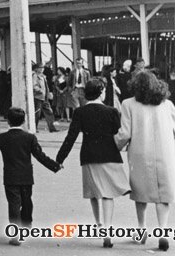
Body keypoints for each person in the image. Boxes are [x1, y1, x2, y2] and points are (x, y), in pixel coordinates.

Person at [56, 78, 130, 248]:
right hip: (110, 156)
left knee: (94, 192)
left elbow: (70, 138)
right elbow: (118, 134)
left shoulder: (80, 112)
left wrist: (60, 159)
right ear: (101, 91)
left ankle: (98, 225)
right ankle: (108, 231)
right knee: (107, 194)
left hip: (89, 156)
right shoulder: (111, 111)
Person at [0, 107, 61, 246]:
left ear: (7, 121)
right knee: (27, 202)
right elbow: (40, 156)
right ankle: (26, 225)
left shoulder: (2, 138)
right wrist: (55, 165)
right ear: (24, 120)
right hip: (26, 176)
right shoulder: (30, 138)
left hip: (10, 177)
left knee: (14, 204)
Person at [115, 70, 175, 252]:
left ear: (135, 86)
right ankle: (163, 232)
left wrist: (115, 145)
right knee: (163, 194)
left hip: (140, 152)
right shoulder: (167, 104)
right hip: (164, 152)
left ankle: (142, 230)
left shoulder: (128, 104)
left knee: (141, 193)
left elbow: (125, 133)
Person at [32, 64, 59, 132]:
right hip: (38, 97)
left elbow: (46, 86)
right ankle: (34, 127)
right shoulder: (35, 76)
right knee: (37, 113)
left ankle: (52, 128)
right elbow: (34, 86)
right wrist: (41, 91)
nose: (42, 69)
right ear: (36, 69)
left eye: (42, 68)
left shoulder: (43, 76)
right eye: (40, 68)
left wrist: (48, 93)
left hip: (45, 97)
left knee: (49, 112)